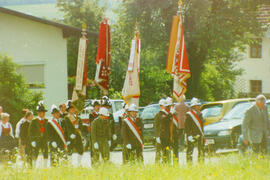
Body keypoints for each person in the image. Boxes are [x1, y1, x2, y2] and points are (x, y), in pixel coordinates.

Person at [62, 100, 84, 166]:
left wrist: (78, 126)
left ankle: (79, 163)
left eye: (73, 108)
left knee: (80, 149)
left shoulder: (78, 118)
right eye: (71, 109)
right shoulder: (66, 118)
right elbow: (67, 127)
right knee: (69, 150)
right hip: (70, 136)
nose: (72, 110)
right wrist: (70, 134)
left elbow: (81, 126)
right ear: (68, 110)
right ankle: (70, 164)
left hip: (77, 135)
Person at [28, 101, 49, 168]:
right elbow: (30, 132)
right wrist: (32, 140)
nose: (41, 113)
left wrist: (48, 139)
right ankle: (34, 166)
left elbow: (48, 131)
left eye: (42, 112)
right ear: (38, 113)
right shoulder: (34, 121)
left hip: (44, 139)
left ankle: (45, 166)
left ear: (44, 113)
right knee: (35, 153)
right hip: (36, 139)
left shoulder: (47, 121)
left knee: (45, 153)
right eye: (39, 112)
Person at [185, 98, 205, 163]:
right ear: (193, 106)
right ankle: (189, 164)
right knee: (190, 150)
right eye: (197, 105)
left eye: (199, 105)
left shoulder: (200, 114)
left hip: (199, 134)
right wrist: (188, 135)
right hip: (192, 134)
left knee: (201, 150)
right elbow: (187, 126)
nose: (199, 106)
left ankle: (201, 163)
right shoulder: (189, 114)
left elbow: (201, 125)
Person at [155, 99, 172, 163]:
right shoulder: (158, 114)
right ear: (160, 106)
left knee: (167, 151)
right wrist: (157, 136)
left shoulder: (168, 114)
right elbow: (156, 127)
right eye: (164, 106)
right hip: (161, 136)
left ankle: (167, 163)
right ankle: (157, 165)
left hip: (167, 136)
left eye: (167, 106)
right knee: (159, 152)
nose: (166, 107)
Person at [166, 97, 179, 164]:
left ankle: (176, 163)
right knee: (168, 151)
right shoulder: (166, 114)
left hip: (175, 134)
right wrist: (170, 113)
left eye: (172, 105)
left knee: (176, 150)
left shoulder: (174, 113)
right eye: (170, 105)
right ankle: (168, 163)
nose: (171, 106)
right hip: (168, 134)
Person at [88, 100, 100, 166]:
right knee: (93, 151)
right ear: (94, 107)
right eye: (96, 106)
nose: (98, 107)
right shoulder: (91, 115)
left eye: (98, 106)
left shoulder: (101, 114)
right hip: (93, 134)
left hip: (100, 135)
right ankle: (93, 164)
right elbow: (93, 123)